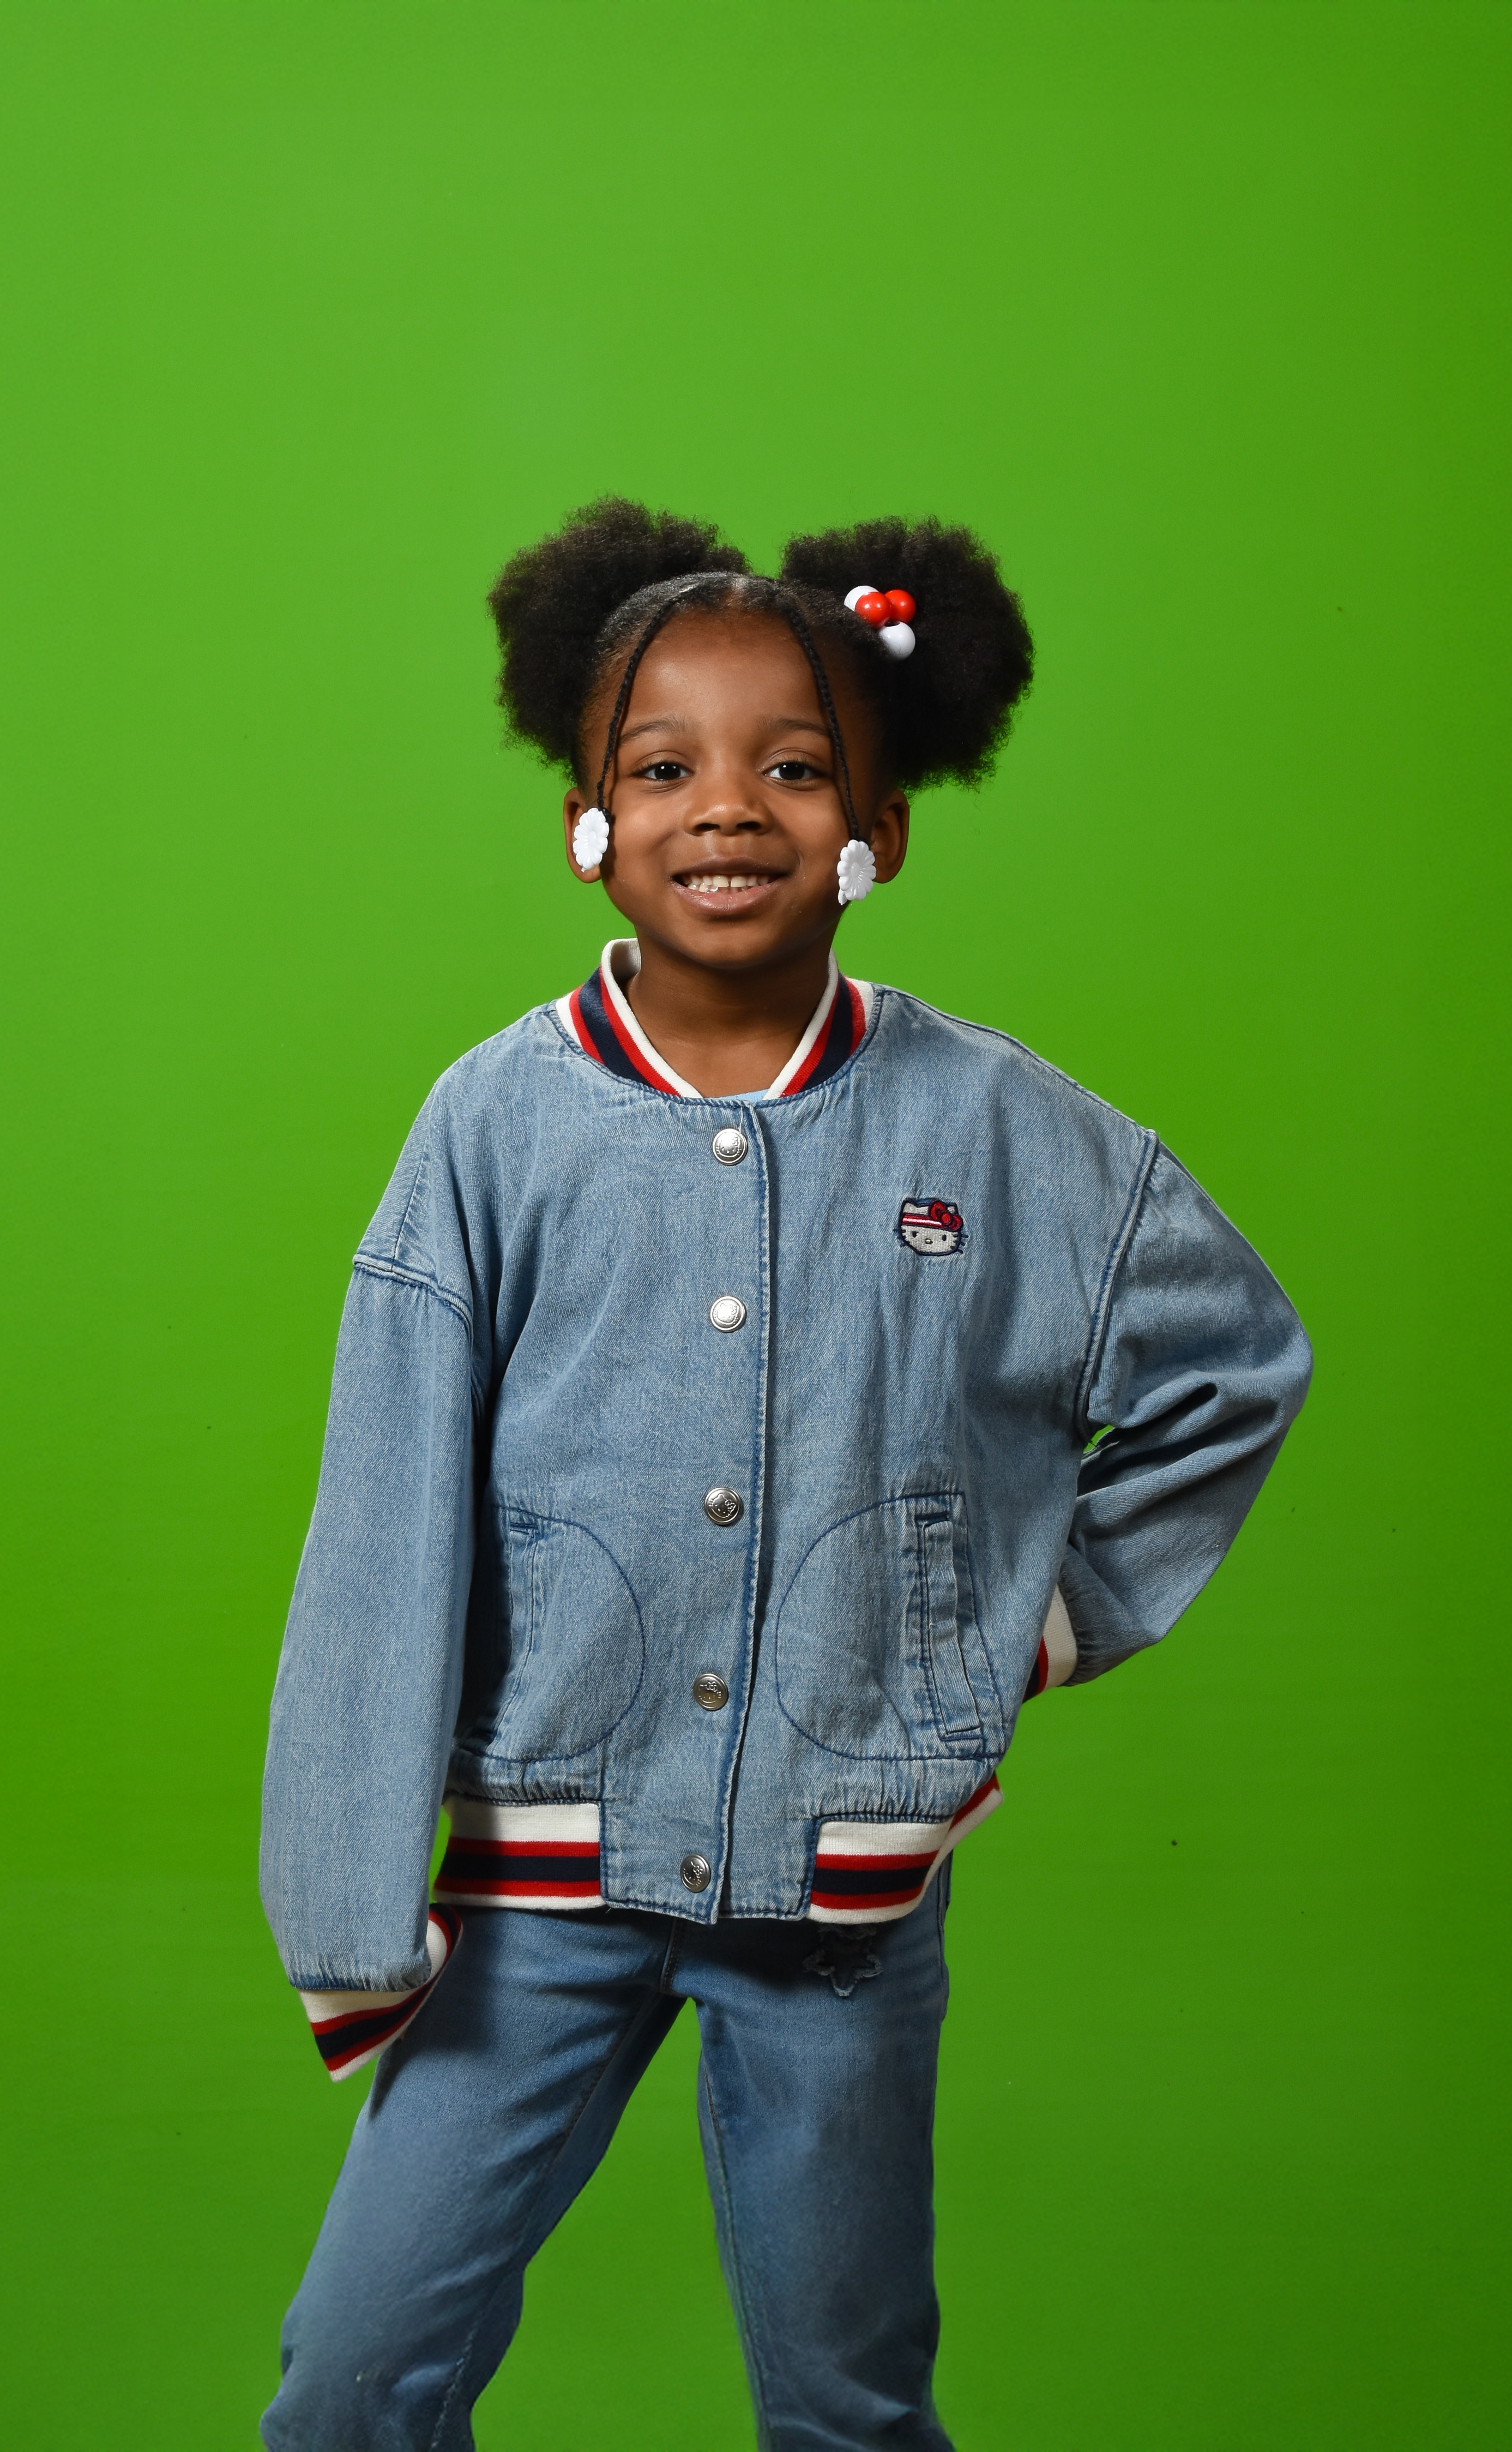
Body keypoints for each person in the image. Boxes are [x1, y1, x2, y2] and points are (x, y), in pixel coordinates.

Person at [258, 500, 1311, 2450]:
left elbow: (1233, 1368)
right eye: (662, 767)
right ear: (587, 821)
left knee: (846, 2402)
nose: (727, 807)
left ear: (878, 830)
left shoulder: (996, 1128)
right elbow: (383, 1521)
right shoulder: (493, 1126)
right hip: (536, 1896)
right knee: (351, 2382)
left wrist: (1030, 1625)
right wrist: (348, 1906)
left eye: (793, 767)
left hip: (843, 1921)